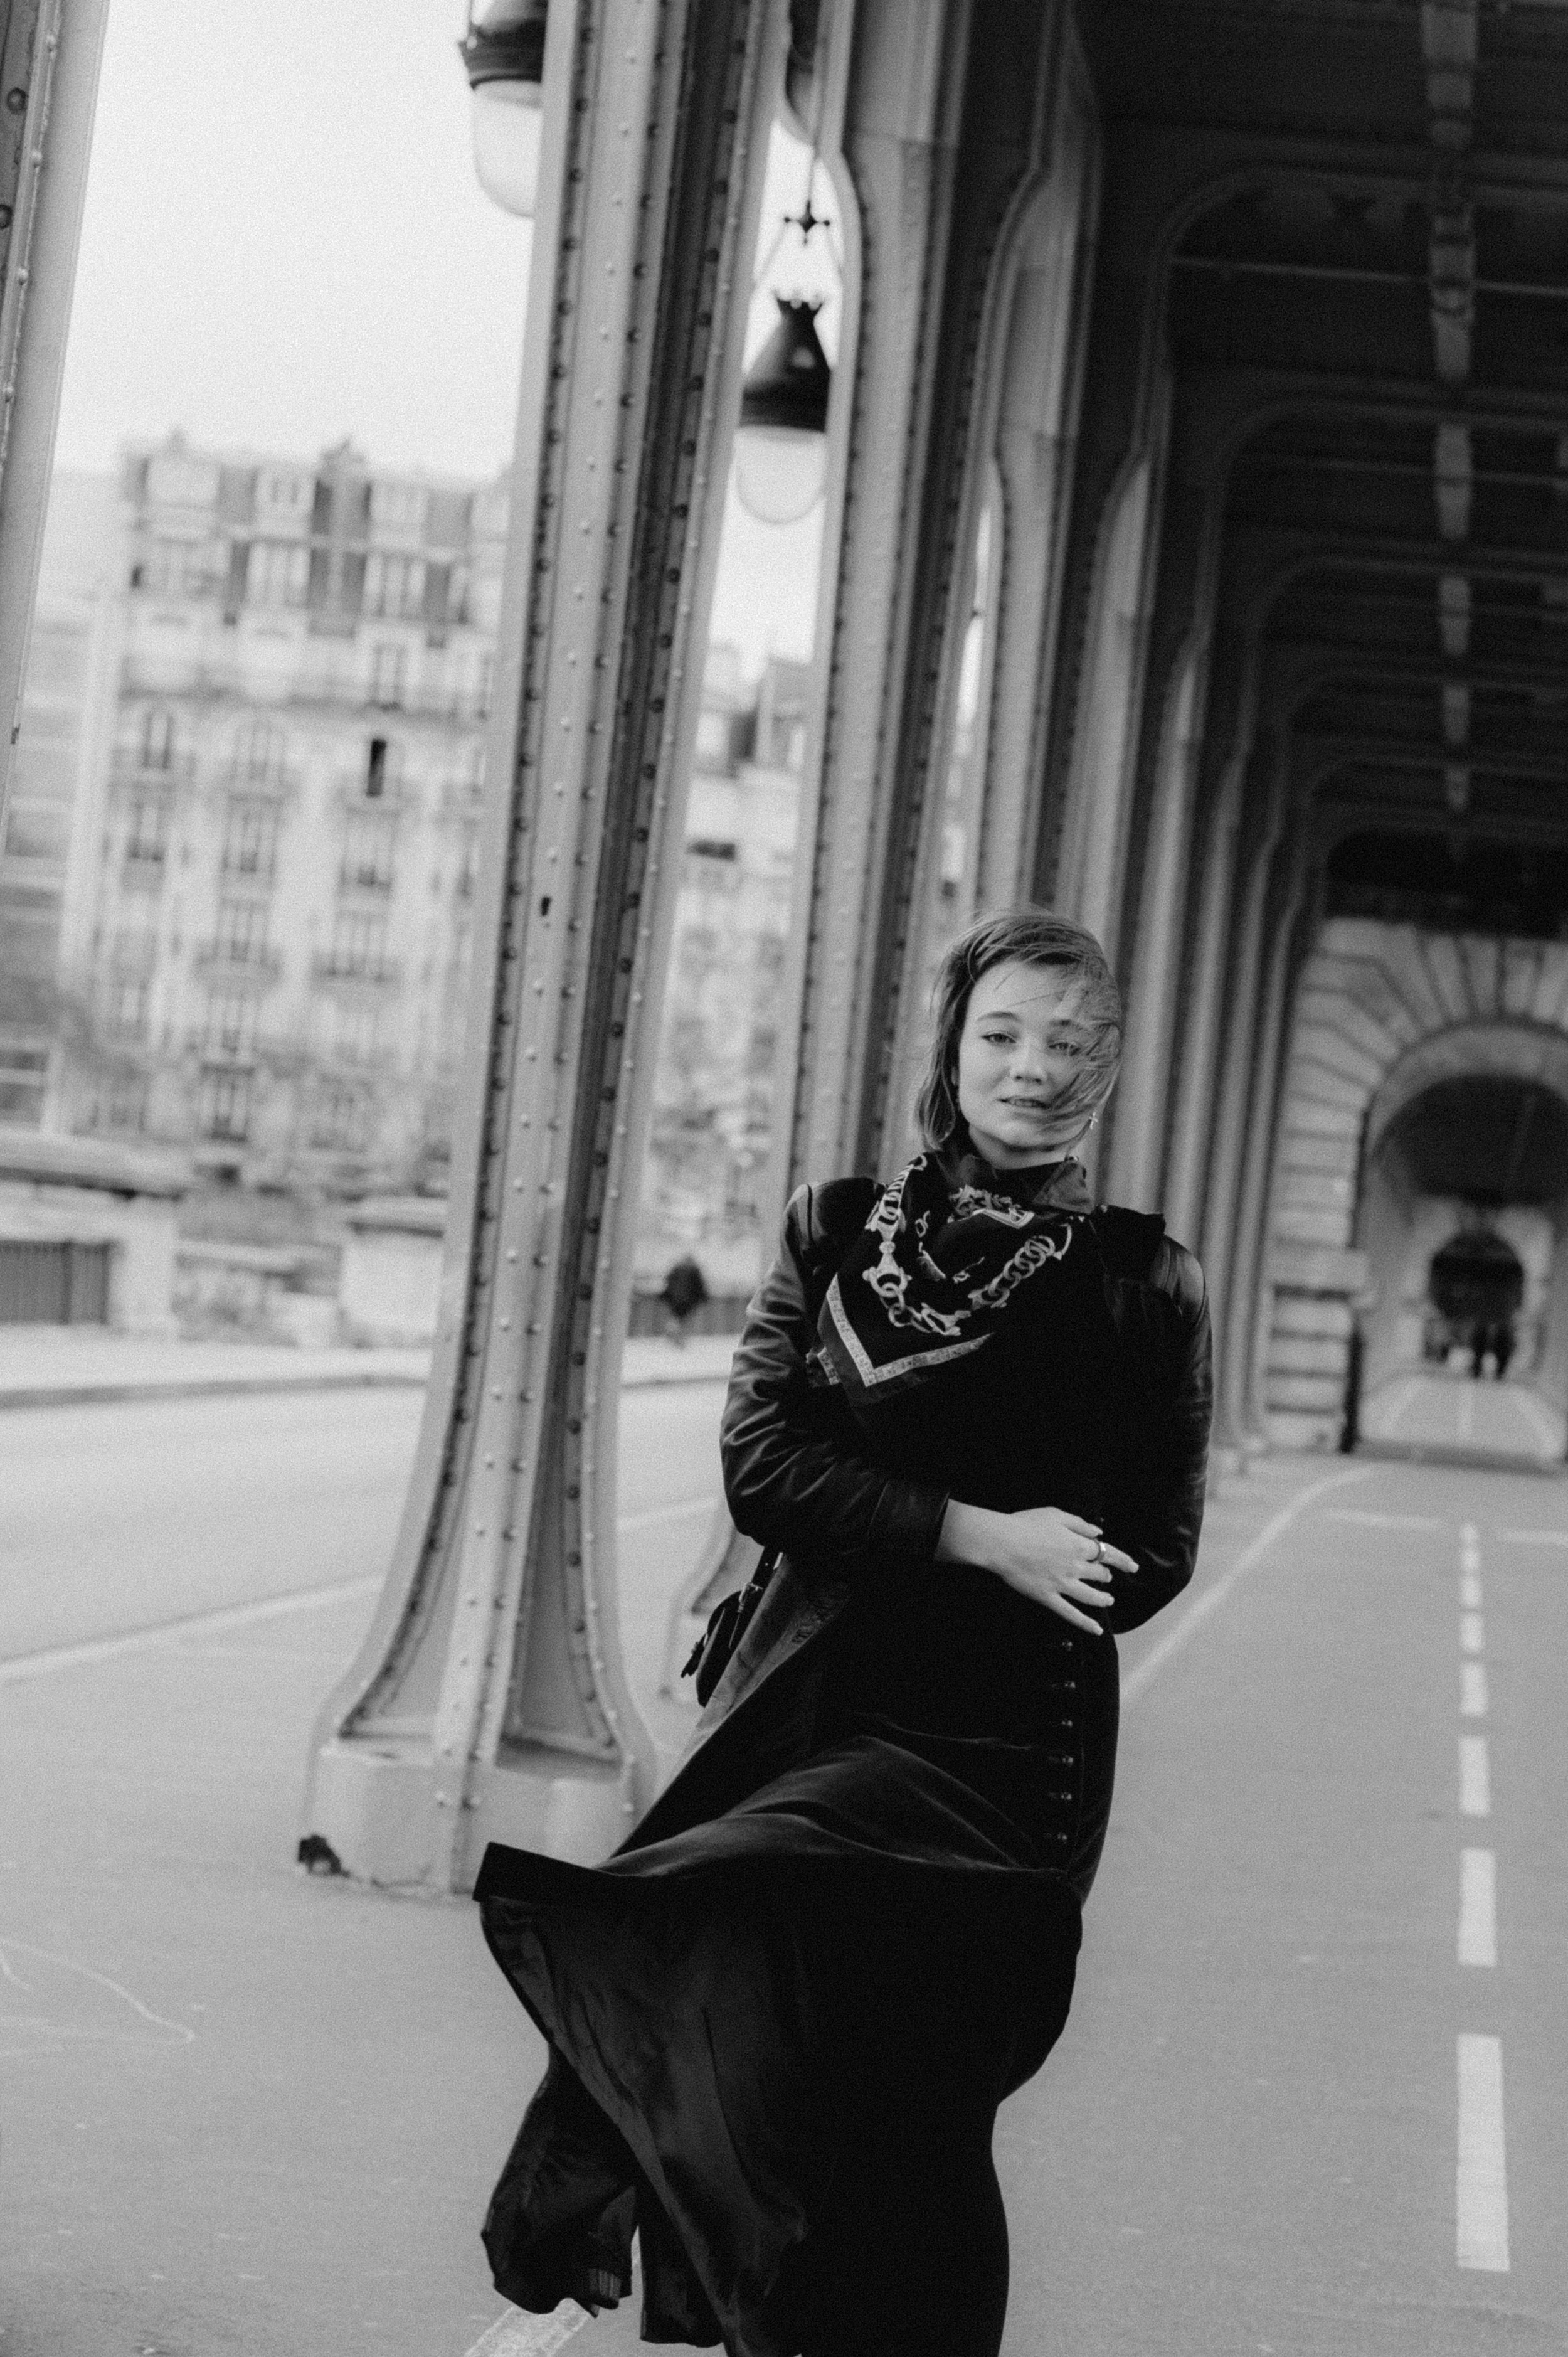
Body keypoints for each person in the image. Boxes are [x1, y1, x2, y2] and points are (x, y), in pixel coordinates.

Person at [474, 905, 1212, 2357]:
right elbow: (764, 1467)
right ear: (951, 1044)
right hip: (804, 1716)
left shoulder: (1145, 1281)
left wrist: (982, 1545)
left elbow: (1150, 1553)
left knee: (928, 2127)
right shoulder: (832, 1229)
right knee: (782, 2090)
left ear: (1111, 1065)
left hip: (1003, 1763)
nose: (1035, 1068)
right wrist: (985, 1533)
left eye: (1071, 1042)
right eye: (1003, 1033)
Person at [660, 1252, 710, 1346]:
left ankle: (674, 1335)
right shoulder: (695, 1271)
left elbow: (668, 1284)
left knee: (676, 1319)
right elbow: (699, 1286)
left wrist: (664, 1297)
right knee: (685, 1321)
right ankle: (680, 1340)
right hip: (689, 1302)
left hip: (674, 1301)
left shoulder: (676, 1269)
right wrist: (704, 1298)